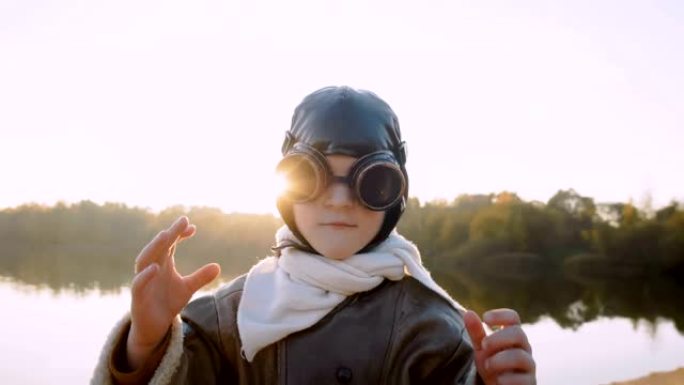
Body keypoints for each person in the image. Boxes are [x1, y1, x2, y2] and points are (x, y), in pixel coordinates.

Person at [91, 86, 536, 385]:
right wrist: (145, 343)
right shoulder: (228, 318)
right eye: (311, 178)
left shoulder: (434, 329)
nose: (339, 201)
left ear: (395, 194)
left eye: (370, 182)